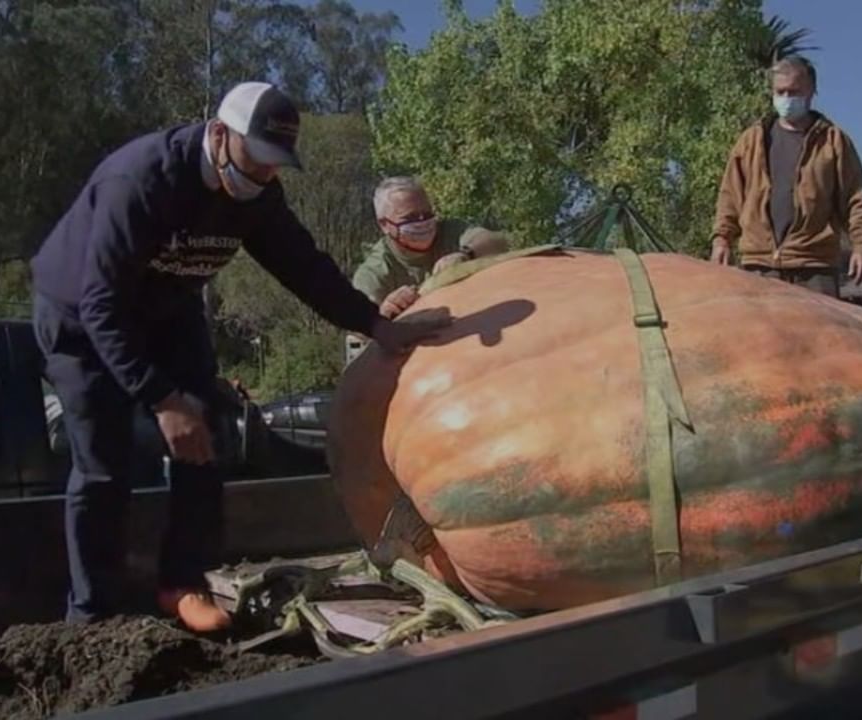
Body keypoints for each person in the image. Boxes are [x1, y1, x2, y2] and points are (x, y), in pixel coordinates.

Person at [28, 81, 446, 632]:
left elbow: (306, 269)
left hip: (166, 309)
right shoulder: (140, 181)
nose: (264, 176)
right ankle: (91, 614)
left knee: (209, 433)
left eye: (276, 164)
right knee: (104, 460)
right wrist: (161, 398)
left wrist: (375, 325)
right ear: (221, 134)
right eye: (257, 160)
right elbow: (101, 305)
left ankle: (181, 582)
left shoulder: (259, 197)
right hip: (82, 317)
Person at [709, 55, 862, 297]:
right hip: (759, 267)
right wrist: (721, 240)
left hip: (814, 268)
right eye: (780, 91)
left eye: (794, 92)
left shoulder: (833, 141)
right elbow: (730, 196)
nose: (786, 98)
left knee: (820, 335)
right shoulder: (752, 140)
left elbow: (854, 198)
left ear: (811, 91)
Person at [352, 176, 511, 319]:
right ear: (384, 224)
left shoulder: (451, 231)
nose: (422, 222)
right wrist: (385, 311)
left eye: (427, 214)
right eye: (410, 217)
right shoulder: (375, 271)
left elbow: (496, 241)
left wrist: (466, 255)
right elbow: (357, 322)